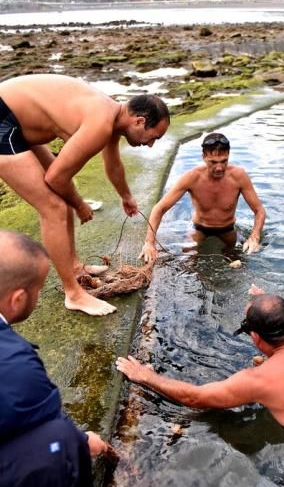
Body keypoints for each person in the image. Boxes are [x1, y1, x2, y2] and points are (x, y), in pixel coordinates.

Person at [116, 284, 284, 470]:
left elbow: (194, 397)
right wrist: (263, 297)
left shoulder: (259, 379)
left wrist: (145, 376)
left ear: (255, 337)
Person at [0, 74, 170, 316]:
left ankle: (75, 267)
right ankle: (74, 294)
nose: (152, 144)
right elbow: (56, 178)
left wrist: (126, 196)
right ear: (139, 121)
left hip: (17, 120)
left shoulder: (112, 116)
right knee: (54, 207)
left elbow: (113, 165)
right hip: (4, 117)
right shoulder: (100, 122)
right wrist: (80, 205)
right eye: (154, 137)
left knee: (61, 201)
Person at [0, 229, 114, 487]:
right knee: (61, 441)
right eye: (38, 290)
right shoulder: (13, 362)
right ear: (19, 299)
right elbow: (44, 425)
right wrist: (82, 440)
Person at [139, 132, 266, 262]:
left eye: (224, 161)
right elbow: (159, 208)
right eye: (213, 162)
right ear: (204, 156)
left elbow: (259, 210)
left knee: (241, 259)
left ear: (228, 155)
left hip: (228, 229)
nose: (219, 168)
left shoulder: (239, 176)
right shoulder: (192, 178)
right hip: (199, 229)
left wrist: (254, 236)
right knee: (187, 260)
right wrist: (149, 242)